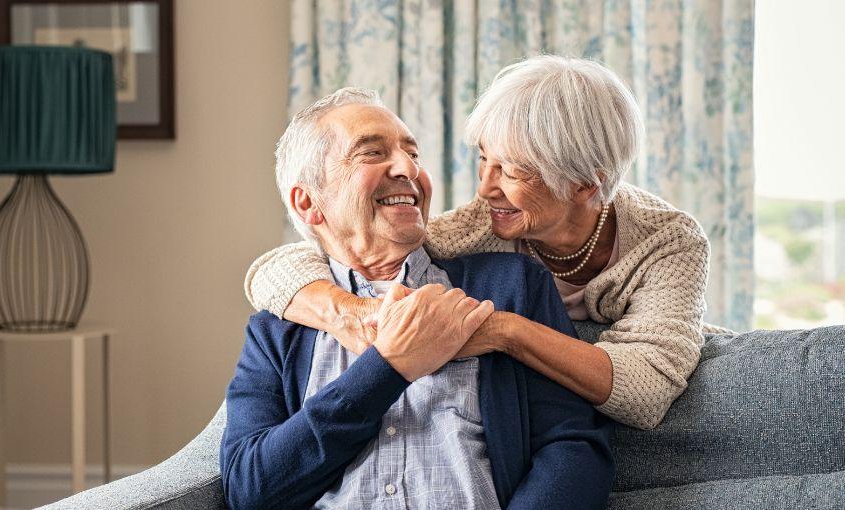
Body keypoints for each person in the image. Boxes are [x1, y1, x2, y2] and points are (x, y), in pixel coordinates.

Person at [245, 55, 713, 430]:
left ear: (584, 184)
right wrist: (353, 312)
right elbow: (281, 266)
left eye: (510, 170)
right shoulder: (480, 226)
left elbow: (647, 389)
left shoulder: (668, 242)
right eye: (484, 160)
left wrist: (503, 332)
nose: (486, 188)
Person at [220, 88, 614, 509]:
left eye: (414, 153)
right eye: (372, 153)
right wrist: (387, 367)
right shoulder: (276, 330)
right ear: (308, 202)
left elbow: (573, 447)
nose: (408, 168)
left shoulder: (510, 286)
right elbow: (250, 489)